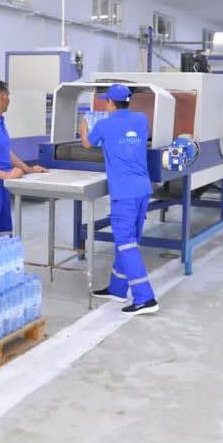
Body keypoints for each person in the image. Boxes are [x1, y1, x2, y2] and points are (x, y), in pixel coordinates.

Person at [79, 84, 158, 315]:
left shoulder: (104, 124)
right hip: (143, 189)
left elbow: (87, 144)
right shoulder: (141, 119)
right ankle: (118, 288)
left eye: (107, 101)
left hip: (124, 193)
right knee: (129, 241)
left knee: (126, 243)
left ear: (110, 103)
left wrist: (83, 128)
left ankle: (145, 298)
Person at [0, 79, 46, 234]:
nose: (9, 100)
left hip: (2, 187)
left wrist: (29, 169)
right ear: (1, 96)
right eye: (8, 95)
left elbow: (6, 153)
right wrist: (8, 175)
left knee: (4, 235)